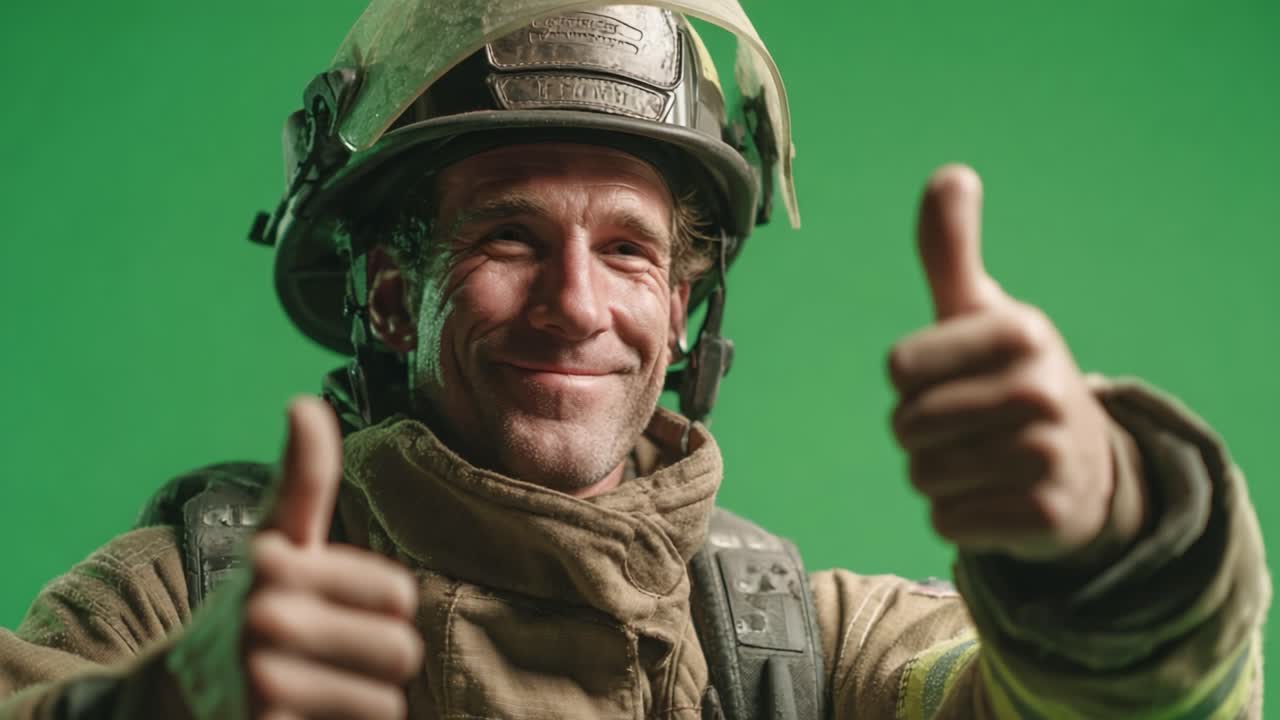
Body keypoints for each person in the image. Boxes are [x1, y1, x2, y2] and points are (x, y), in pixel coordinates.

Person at [0, 1, 1269, 718]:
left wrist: (1113, 528)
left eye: (627, 251)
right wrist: (150, 713)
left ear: (680, 313)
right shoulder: (180, 608)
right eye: (506, 236)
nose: (574, 304)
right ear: (391, 296)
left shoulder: (802, 659)